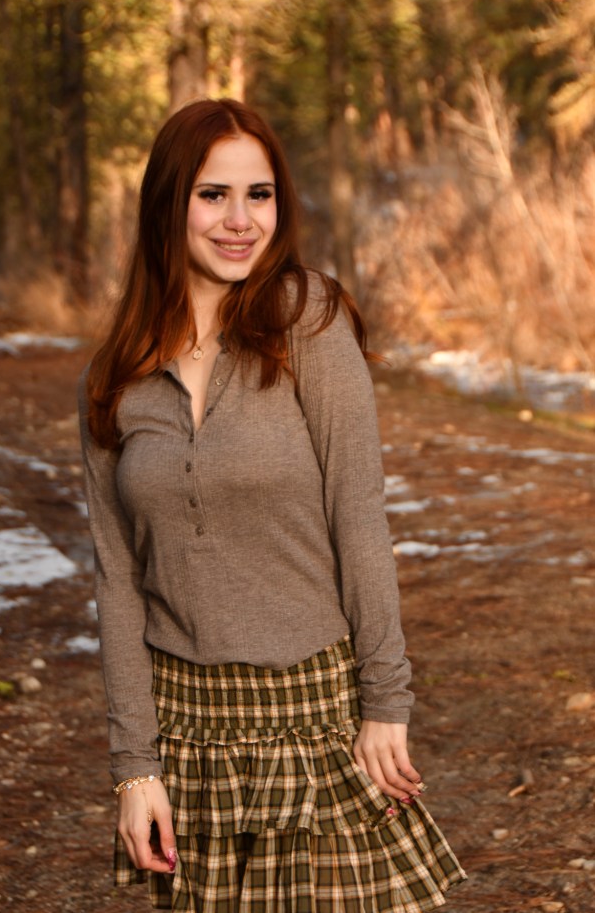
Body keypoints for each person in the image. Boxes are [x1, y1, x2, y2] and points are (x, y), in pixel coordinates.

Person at [79, 97, 466, 912]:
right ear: (168, 203)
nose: (240, 220)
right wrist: (134, 767)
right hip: (188, 734)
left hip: (313, 716)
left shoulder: (307, 320)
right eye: (213, 194)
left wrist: (385, 702)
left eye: (259, 194)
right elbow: (118, 580)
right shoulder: (116, 374)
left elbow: (359, 515)